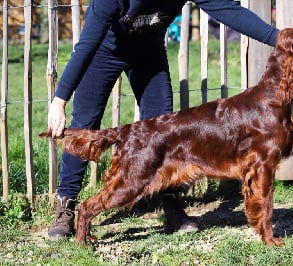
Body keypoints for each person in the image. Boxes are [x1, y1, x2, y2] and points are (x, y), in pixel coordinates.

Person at [47, 0, 280, 238]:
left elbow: (228, 10)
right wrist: (59, 101)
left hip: (149, 53)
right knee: (85, 122)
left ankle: (170, 205)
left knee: (165, 130)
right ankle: (66, 206)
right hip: (104, 52)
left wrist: (278, 38)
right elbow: (85, 46)